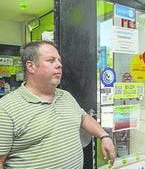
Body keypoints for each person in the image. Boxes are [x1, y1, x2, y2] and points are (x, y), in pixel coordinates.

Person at [0, 40, 115, 168]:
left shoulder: (66, 96)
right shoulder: (6, 108)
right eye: (51, 60)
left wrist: (104, 136)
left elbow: (83, 117)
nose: (59, 65)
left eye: (59, 60)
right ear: (31, 66)